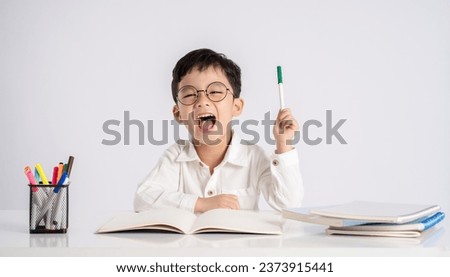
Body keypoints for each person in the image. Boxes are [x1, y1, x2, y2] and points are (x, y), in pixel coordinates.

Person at [134, 48, 303, 213]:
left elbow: (288, 204)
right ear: (178, 114)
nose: (202, 101)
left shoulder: (254, 157)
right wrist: (201, 204)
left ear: (236, 107)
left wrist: (283, 144)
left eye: (214, 91)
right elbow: (143, 199)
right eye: (189, 95)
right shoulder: (174, 158)